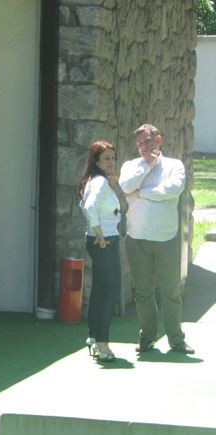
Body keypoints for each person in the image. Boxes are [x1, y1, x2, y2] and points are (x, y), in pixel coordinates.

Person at [118, 123, 194, 354]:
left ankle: (176, 339)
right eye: (140, 143)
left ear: (159, 139)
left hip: (166, 238)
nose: (144, 147)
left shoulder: (174, 165)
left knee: (170, 291)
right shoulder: (131, 166)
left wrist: (141, 193)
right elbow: (126, 186)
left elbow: (172, 189)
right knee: (143, 292)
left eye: (148, 141)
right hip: (137, 238)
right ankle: (147, 336)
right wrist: (146, 166)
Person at [78, 140, 124, 362]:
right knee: (109, 291)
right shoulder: (99, 182)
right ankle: (102, 343)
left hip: (101, 241)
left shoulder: (100, 181)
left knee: (100, 290)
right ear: (95, 161)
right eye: (106, 158)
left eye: (113, 158)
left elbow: (118, 208)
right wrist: (99, 235)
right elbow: (89, 208)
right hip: (104, 243)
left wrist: (115, 187)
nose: (111, 162)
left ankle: (94, 337)